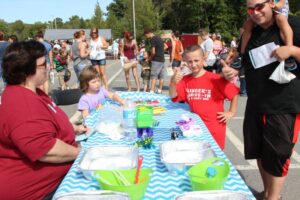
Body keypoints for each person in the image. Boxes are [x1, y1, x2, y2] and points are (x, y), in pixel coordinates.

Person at [221, 0, 300, 199]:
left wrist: (292, 51)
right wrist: (232, 71)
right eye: (250, 8)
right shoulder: (251, 30)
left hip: (283, 104)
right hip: (256, 102)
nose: (255, 12)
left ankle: (274, 197)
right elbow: (244, 62)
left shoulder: (292, 23)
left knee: (277, 155)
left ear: (271, 4)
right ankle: (267, 194)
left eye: (259, 6)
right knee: (259, 152)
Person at [0, 41, 88, 200]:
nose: (48, 66)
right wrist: (81, 153)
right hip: (38, 192)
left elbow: (45, 123)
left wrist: (71, 129)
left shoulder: (33, 93)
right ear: (27, 71)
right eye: (43, 64)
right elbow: (44, 149)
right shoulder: (23, 103)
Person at [169, 45, 239, 149]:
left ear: (203, 59)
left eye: (196, 60)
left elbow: (234, 93)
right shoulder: (185, 80)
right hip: (194, 129)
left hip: (215, 129)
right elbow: (173, 96)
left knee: (214, 157)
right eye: (189, 62)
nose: (193, 64)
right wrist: (173, 82)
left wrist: (231, 112)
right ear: (185, 62)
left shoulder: (215, 79)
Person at [144, 28, 165, 94]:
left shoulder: (153, 39)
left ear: (148, 33)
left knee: (154, 76)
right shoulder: (159, 38)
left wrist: (149, 58)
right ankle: (160, 90)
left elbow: (153, 52)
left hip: (156, 60)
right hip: (162, 59)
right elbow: (165, 47)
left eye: (146, 35)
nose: (146, 37)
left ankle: (152, 91)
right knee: (161, 76)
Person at [35, 30, 53, 95]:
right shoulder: (48, 45)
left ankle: (41, 95)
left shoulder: (35, 45)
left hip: (38, 64)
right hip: (47, 63)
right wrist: (51, 65)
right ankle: (46, 94)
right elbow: (50, 56)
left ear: (37, 37)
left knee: (40, 81)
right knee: (46, 80)